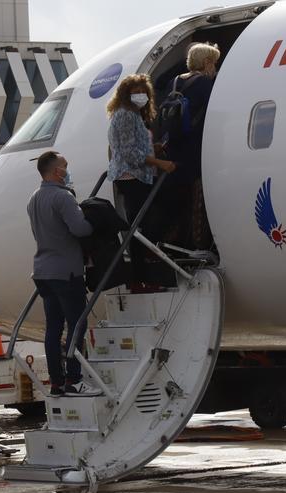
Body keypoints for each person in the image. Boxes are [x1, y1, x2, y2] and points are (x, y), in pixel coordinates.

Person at [26, 150, 97, 397]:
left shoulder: (34, 199)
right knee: (77, 324)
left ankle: (56, 382)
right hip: (66, 270)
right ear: (57, 171)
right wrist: (95, 221)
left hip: (43, 271)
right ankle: (74, 379)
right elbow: (80, 229)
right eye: (65, 166)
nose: (68, 170)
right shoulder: (63, 197)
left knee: (53, 328)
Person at [106, 74, 176, 290]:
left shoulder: (135, 115)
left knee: (147, 221)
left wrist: (153, 149)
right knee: (140, 227)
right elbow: (129, 153)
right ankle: (139, 278)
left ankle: (145, 264)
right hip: (131, 176)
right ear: (126, 95)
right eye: (135, 92)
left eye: (143, 92)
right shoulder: (126, 115)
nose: (140, 96)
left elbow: (135, 146)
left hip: (141, 175)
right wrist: (160, 163)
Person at [166, 42, 221, 252]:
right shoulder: (205, 84)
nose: (215, 67)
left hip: (174, 149)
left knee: (180, 203)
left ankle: (172, 245)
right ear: (207, 63)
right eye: (214, 63)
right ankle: (198, 245)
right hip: (196, 149)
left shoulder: (174, 82)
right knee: (197, 202)